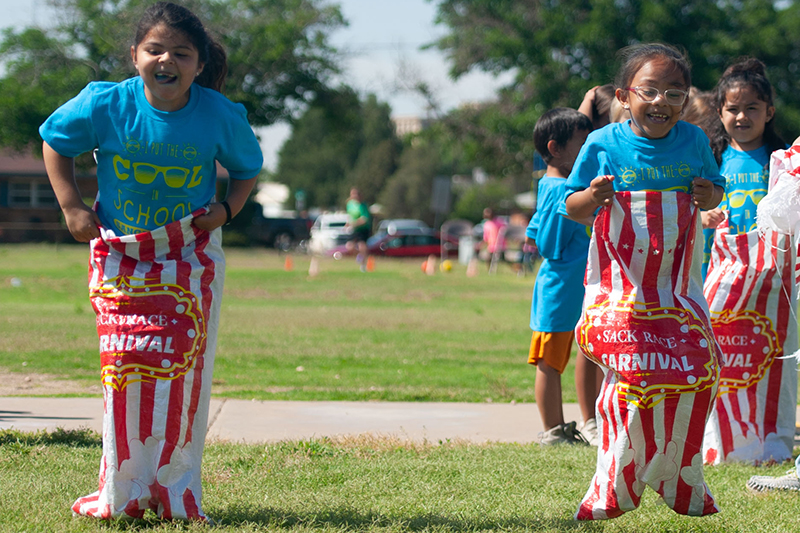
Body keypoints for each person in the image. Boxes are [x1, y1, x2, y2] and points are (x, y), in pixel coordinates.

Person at [39, 2, 263, 522]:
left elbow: (246, 168)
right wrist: (71, 205)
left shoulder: (218, 114)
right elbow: (55, 143)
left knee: (183, 370)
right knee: (123, 368)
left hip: (189, 255)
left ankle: (175, 488)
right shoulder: (105, 104)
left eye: (181, 53)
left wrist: (227, 209)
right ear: (134, 55)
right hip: (123, 257)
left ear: (200, 64)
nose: (167, 61)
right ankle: (122, 488)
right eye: (155, 50)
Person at [564, 43, 725, 520]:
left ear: (686, 99)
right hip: (623, 295)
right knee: (630, 383)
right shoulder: (603, 144)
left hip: (678, 292)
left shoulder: (694, 141)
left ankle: (678, 473)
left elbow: (716, 188)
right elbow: (571, 209)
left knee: (701, 370)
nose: (661, 103)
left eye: (674, 93)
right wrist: (592, 196)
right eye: (649, 91)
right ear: (625, 95)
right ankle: (615, 483)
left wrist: (707, 192)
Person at [701, 58, 796, 466]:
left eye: (752, 108)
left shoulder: (780, 161)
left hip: (772, 284)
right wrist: (703, 217)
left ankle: (770, 436)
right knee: (723, 358)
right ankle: (720, 438)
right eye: (732, 109)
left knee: (770, 359)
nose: (742, 117)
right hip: (718, 279)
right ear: (719, 112)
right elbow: (692, 208)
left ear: (769, 112)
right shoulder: (709, 159)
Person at [526, 107, 602, 445]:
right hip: (558, 289)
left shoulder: (560, 184)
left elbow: (534, 227)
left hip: (575, 288)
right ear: (555, 149)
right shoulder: (559, 189)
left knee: (564, 357)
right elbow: (547, 243)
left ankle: (561, 427)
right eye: (582, 143)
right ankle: (553, 430)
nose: (588, 150)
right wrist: (576, 218)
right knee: (549, 361)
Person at [345, 187, 371, 271]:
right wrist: (348, 223)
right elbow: (350, 216)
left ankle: (363, 266)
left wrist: (354, 223)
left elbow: (364, 219)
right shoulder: (349, 204)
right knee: (349, 247)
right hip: (354, 229)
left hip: (363, 229)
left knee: (361, 246)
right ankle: (359, 255)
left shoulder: (363, 205)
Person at [482, 207, 506, 271]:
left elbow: (504, 230)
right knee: (488, 258)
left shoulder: (499, 222)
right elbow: (486, 237)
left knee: (503, 260)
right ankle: (490, 270)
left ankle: (518, 270)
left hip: (500, 245)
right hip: (491, 246)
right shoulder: (486, 224)